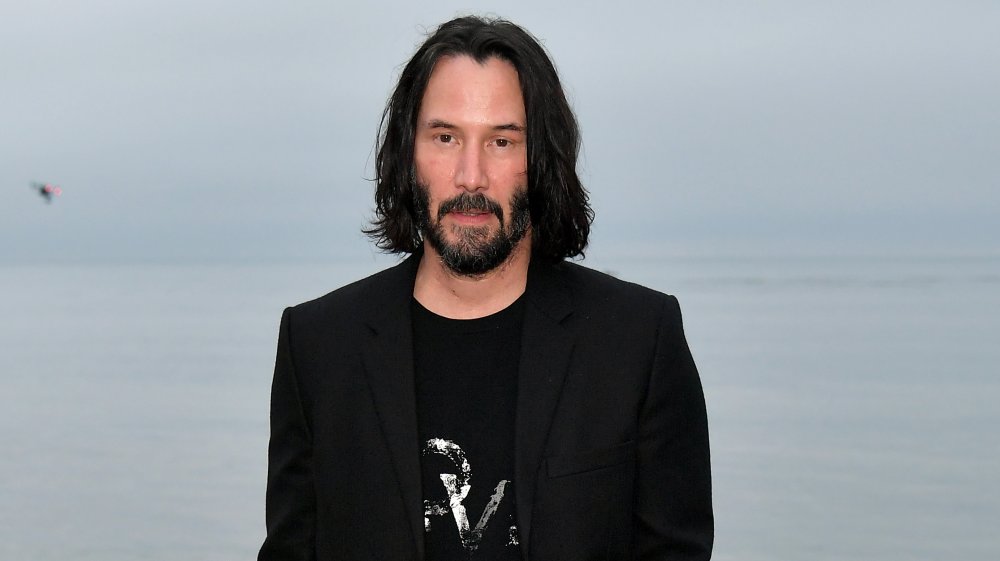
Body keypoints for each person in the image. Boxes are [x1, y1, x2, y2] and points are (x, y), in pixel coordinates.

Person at [258, 15, 713, 561]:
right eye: (446, 137)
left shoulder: (639, 340)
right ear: (408, 154)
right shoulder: (317, 346)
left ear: (540, 159)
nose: (470, 175)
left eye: (501, 140)